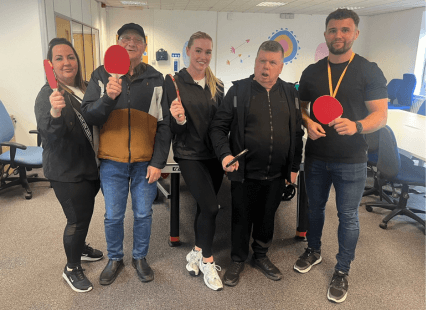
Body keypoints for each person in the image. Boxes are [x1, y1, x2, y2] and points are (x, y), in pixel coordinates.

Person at [292, 9, 388, 303]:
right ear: (325, 35)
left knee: (348, 216)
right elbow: (301, 108)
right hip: (318, 156)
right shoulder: (312, 71)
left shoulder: (369, 70)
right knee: (314, 210)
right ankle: (313, 250)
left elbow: (381, 116)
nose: (339, 35)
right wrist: (308, 122)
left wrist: (357, 125)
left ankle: (342, 270)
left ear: (355, 34)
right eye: (333, 30)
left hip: (352, 160)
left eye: (345, 30)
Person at [81, 23, 171, 285]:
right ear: (117, 42)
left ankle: (140, 257)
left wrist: (158, 162)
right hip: (111, 160)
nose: (131, 43)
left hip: (146, 163)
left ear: (144, 46)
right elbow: (89, 115)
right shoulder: (101, 75)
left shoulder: (156, 79)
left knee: (144, 213)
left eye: (137, 40)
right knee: (114, 215)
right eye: (126, 39)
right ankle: (115, 258)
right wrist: (108, 97)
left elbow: (164, 124)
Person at [209, 40, 304, 287]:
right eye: (262, 61)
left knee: (267, 217)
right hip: (244, 172)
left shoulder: (290, 93)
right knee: (241, 217)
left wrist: (293, 167)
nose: (266, 67)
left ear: (281, 67)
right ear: (255, 62)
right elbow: (218, 127)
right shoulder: (238, 92)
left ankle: (261, 256)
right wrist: (225, 155)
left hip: (276, 173)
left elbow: (296, 134)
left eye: (272, 63)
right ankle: (238, 259)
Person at [35, 38, 103, 293]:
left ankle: (81, 247)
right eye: (60, 58)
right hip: (67, 171)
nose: (67, 62)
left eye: (71, 57)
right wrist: (54, 113)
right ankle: (72, 267)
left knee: (84, 215)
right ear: (51, 65)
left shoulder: (86, 88)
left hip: (89, 165)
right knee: (77, 219)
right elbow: (48, 135)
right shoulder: (48, 95)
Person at [164, 31, 224, 291]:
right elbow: (173, 130)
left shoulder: (218, 85)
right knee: (212, 207)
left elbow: (222, 125)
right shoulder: (174, 82)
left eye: (208, 52)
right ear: (188, 50)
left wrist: (227, 153)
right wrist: (179, 120)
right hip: (189, 154)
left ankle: (196, 252)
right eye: (198, 50)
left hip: (214, 156)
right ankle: (208, 262)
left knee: (203, 207)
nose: (203, 56)